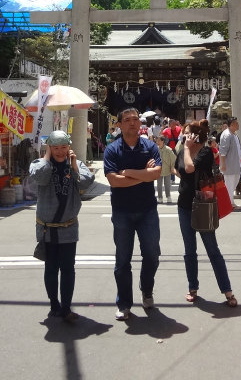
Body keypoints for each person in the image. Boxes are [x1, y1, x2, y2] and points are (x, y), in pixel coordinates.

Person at [102, 107, 162, 321]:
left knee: (153, 255)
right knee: (122, 260)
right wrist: (143, 176)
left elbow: (157, 172)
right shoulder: (112, 149)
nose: (132, 123)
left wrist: (128, 173)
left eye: (135, 119)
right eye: (127, 120)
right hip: (122, 211)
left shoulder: (149, 146)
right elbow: (113, 180)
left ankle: (146, 290)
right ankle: (124, 303)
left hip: (147, 210)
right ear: (119, 124)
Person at [29, 131, 95, 322]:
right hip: (47, 227)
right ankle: (53, 304)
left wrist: (74, 164)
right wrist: (47, 157)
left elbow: (86, 182)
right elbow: (40, 177)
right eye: (55, 147)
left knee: (68, 268)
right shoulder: (40, 164)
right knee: (51, 268)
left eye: (63, 147)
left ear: (69, 147)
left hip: (68, 227)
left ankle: (66, 307)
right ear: (49, 148)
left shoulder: (76, 164)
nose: (60, 151)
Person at [175, 119, 236, 307]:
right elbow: (178, 170)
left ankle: (227, 290)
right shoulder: (181, 151)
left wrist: (186, 150)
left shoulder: (205, 152)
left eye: (185, 133)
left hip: (203, 204)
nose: (182, 136)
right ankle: (192, 287)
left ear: (194, 136)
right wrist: (184, 154)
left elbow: (190, 168)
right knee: (189, 250)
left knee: (212, 249)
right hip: (184, 205)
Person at [219, 117, 241, 208]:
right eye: (236, 123)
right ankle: (230, 204)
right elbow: (223, 151)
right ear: (232, 125)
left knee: (235, 181)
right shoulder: (227, 135)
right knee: (229, 184)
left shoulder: (234, 134)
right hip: (229, 164)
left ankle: (229, 201)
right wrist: (223, 164)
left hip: (236, 163)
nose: (238, 125)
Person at [154, 134, 176, 204]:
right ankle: (160, 197)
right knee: (159, 185)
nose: (157, 141)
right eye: (156, 140)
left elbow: (173, 159)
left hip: (167, 169)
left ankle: (168, 197)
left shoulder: (168, 149)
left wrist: (172, 167)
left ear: (163, 141)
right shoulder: (155, 149)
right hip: (159, 170)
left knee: (167, 184)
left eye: (159, 140)